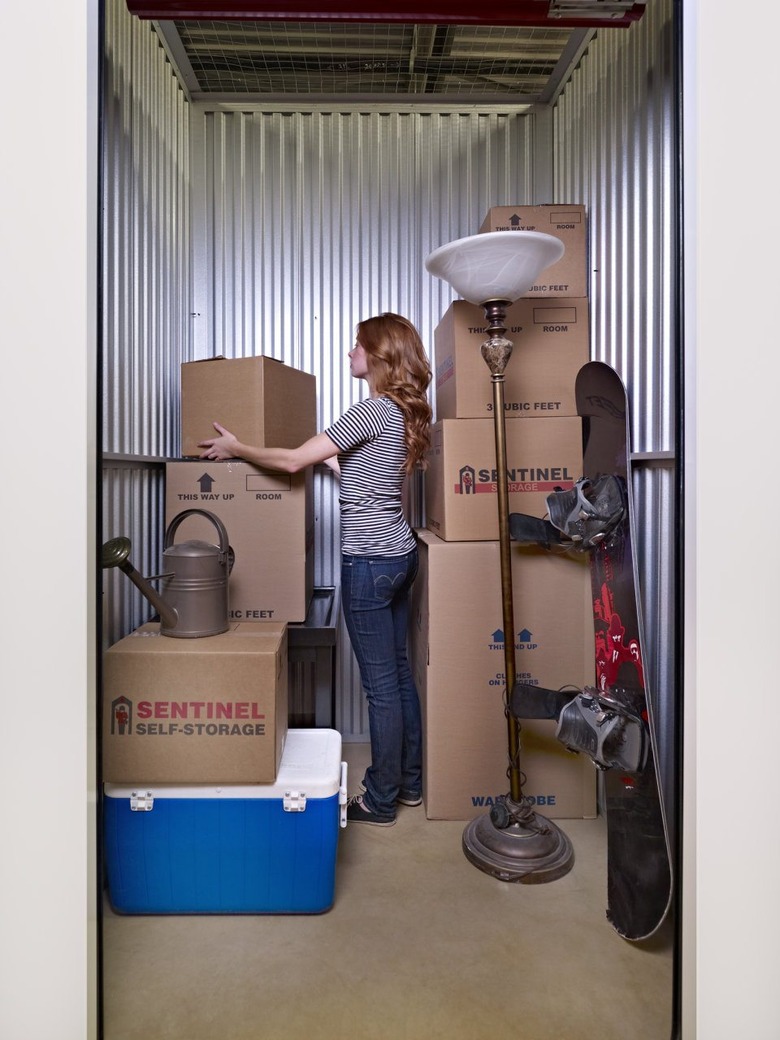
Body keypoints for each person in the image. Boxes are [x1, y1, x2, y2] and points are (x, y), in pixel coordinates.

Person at [198, 313, 433, 826]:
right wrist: (338, 465)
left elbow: (290, 462)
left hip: (368, 562)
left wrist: (236, 448)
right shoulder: (402, 413)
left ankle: (380, 799)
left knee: (380, 688)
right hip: (400, 554)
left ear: (378, 355)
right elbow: (374, 476)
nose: (351, 352)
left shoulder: (369, 410)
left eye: (358, 345)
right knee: (398, 673)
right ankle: (411, 784)